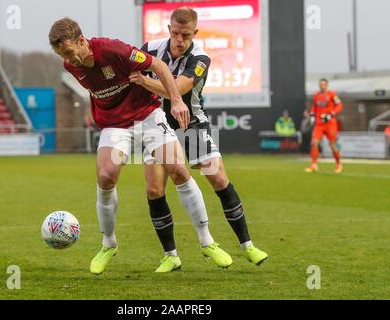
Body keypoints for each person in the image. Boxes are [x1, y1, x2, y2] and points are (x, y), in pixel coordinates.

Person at [49, 17, 232, 275]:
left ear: (82, 41)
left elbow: (158, 64)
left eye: (68, 52)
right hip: (114, 124)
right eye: (61, 54)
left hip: (147, 115)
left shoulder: (113, 50)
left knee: (179, 170)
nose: (67, 59)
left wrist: (177, 101)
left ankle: (207, 241)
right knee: (105, 176)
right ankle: (108, 244)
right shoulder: (71, 65)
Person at [129, 7, 268, 272]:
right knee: (154, 189)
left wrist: (143, 82)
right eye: (176, 33)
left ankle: (247, 245)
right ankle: (171, 255)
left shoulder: (201, 57)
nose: (180, 40)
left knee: (218, 179)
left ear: (196, 33)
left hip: (191, 122)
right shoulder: (150, 48)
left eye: (186, 35)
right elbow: (130, 72)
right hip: (156, 124)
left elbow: (178, 90)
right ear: (169, 29)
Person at [306, 78, 343, 173]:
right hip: (319, 124)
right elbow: (314, 107)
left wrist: (331, 114)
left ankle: (338, 163)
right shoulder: (316, 96)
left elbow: (339, 106)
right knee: (314, 142)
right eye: (320, 84)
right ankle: (314, 164)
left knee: (332, 145)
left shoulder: (332, 94)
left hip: (330, 123)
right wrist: (312, 115)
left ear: (327, 85)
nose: (322, 86)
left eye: (323, 84)